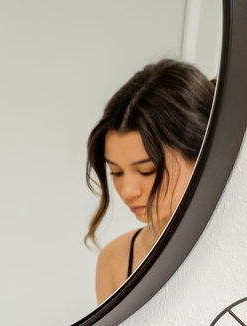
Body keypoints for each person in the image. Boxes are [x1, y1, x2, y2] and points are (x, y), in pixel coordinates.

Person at [85, 58, 214, 304]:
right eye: (116, 172)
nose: (127, 190)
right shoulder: (114, 261)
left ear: (201, 154)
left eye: (146, 170)